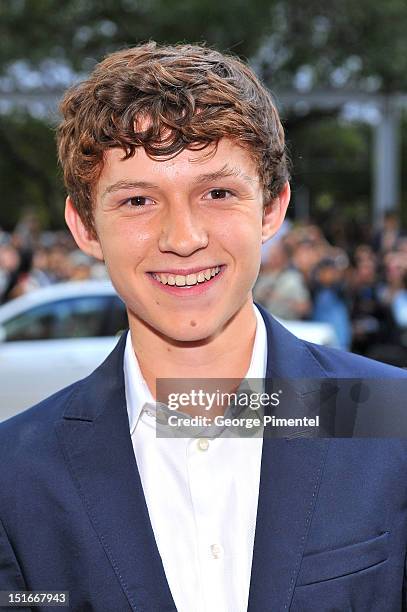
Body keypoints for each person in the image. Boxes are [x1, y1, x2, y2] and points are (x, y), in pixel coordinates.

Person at [0, 42, 407, 612]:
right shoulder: (14, 475)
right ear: (85, 227)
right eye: (139, 199)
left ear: (272, 208)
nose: (184, 236)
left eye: (217, 193)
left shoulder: (389, 420)